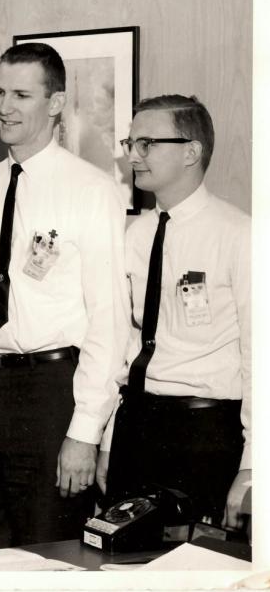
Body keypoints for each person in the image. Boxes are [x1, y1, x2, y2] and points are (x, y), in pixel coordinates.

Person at [0, 42, 129, 551]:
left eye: (22, 94)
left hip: (53, 394)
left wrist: (84, 432)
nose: (5, 107)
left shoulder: (92, 190)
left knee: (49, 554)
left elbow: (110, 322)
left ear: (55, 104)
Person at [97, 95, 251, 529]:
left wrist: (253, 463)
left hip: (205, 432)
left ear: (191, 151)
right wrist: (110, 440)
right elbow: (128, 344)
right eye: (131, 143)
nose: (133, 155)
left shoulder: (239, 234)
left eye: (147, 143)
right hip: (138, 426)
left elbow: (261, 359)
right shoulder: (136, 234)